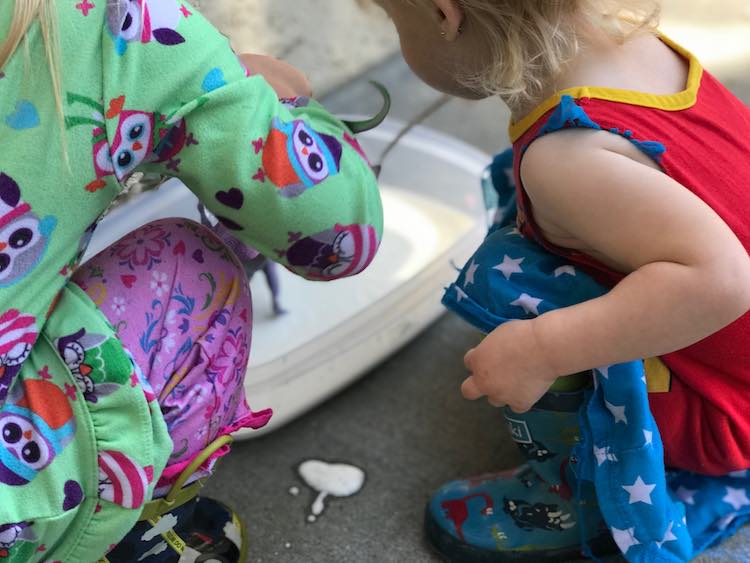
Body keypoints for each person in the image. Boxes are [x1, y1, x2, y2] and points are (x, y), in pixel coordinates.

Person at [0, 1, 382, 561]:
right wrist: (269, 100)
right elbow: (340, 238)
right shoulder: (119, 26)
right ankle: (117, 529)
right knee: (190, 270)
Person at [369, 0, 750, 560]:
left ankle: (577, 497)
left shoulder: (565, 160)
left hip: (728, 415)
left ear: (443, 15)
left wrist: (543, 349)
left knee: (512, 285)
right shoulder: (638, 50)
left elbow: (723, 282)